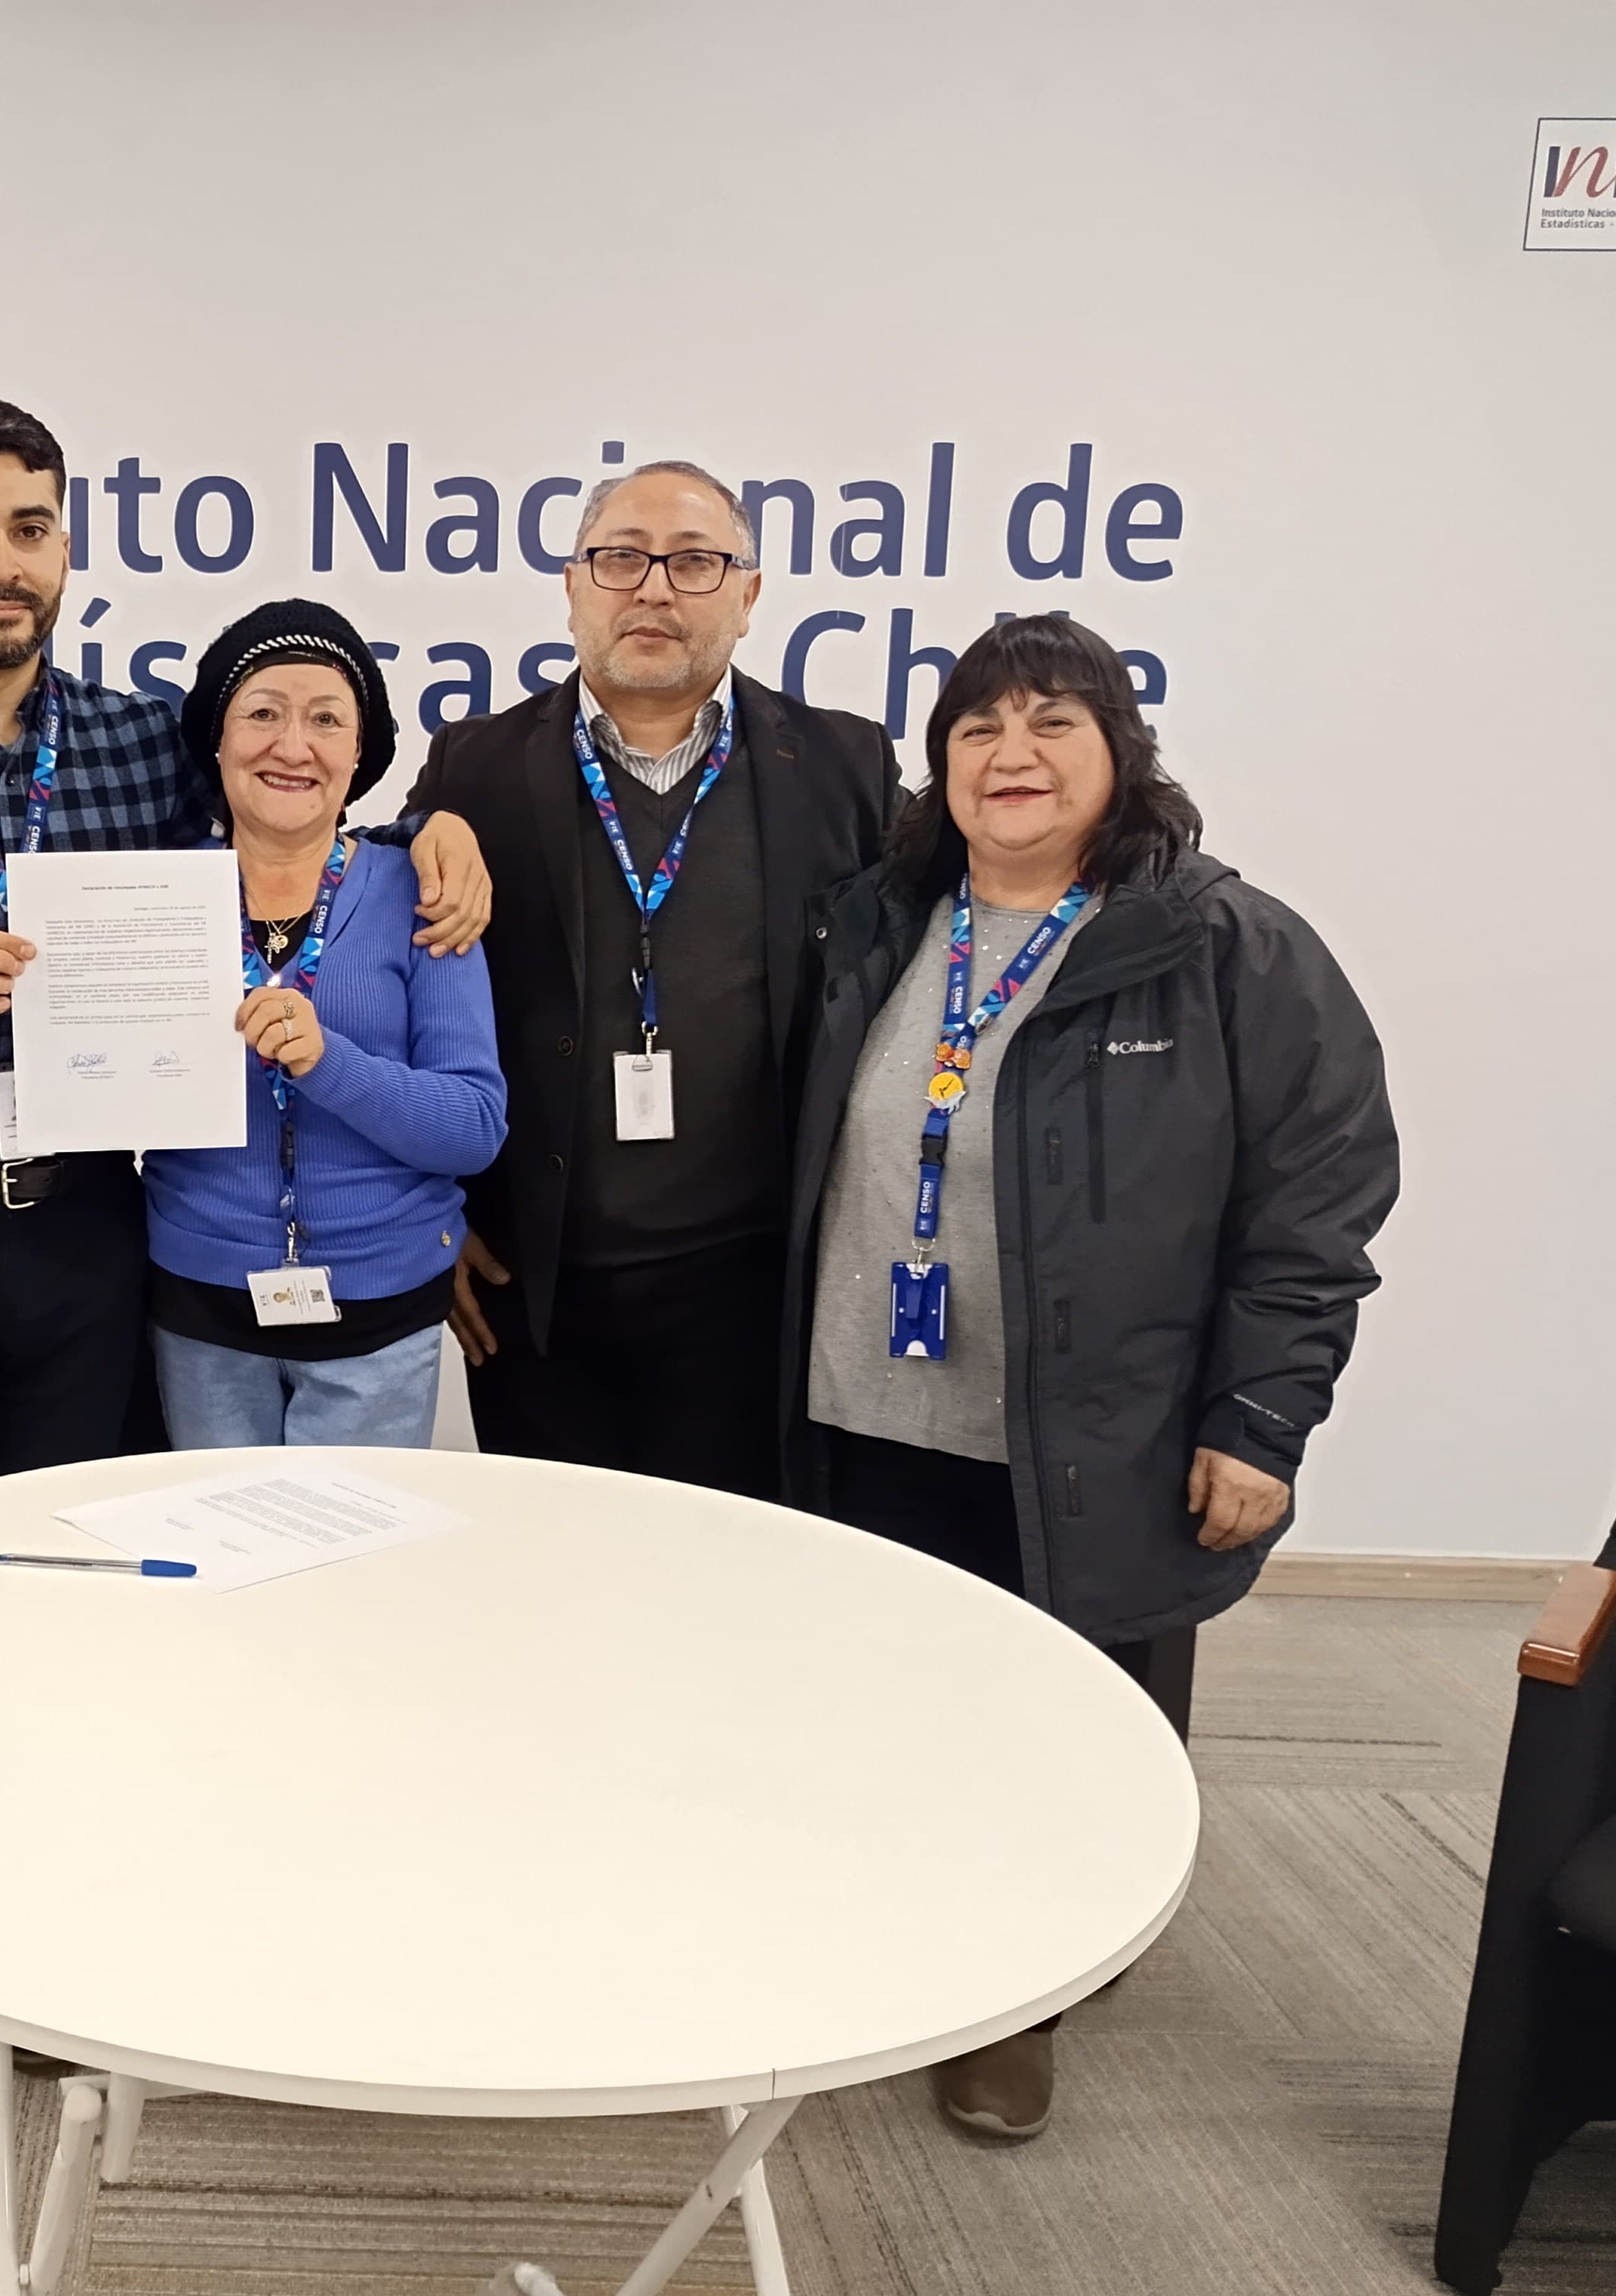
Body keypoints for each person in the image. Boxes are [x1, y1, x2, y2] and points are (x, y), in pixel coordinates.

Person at [0, 399, 492, 2122]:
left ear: (66, 551)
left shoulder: (141, 747)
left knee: (70, 1596)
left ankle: (28, 1922)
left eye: (31, 529)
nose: (0, 563)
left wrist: (440, 828)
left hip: (84, 1229)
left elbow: (307, 797)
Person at [785, 611, 1399, 2142]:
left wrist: (1260, 1415)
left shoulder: (1221, 944)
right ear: (939, 762)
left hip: (1086, 1430)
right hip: (867, 1408)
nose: (1012, 753)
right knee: (894, 1705)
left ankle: (1023, 2002)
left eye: (1053, 721)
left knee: (1066, 1729)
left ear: (1120, 753)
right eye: (978, 726)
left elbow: (1316, 1195)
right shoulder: (877, 923)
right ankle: (903, 1941)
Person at [411, 459, 902, 1498]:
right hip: (533, 1286)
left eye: (693, 562)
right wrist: (429, 1219)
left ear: (748, 595)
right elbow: (398, 994)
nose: (653, 588)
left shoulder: (844, 767)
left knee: (724, 1572)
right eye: (622, 558)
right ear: (573, 585)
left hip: (752, 1286)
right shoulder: (473, 770)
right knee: (555, 1565)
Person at [144, 602, 507, 1446]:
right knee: (216, 1526)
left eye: (326, 720)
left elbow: (473, 1128)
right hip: (198, 1306)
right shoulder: (154, 898)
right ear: (218, 742)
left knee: (349, 1533)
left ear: (359, 753)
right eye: (262, 714)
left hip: (381, 1311)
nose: (292, 745)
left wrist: (328, 1062)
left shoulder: (426, 895)